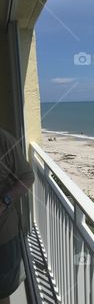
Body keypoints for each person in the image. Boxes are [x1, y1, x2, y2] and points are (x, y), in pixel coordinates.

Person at [1, 129, 35, 303]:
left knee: (2, 291)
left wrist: (5, 200)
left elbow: (28, 176)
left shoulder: (3, 139)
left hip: (3, 235)